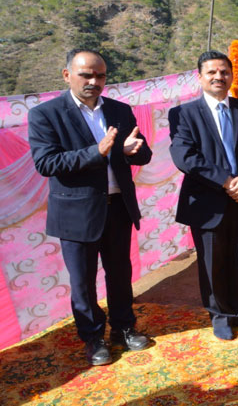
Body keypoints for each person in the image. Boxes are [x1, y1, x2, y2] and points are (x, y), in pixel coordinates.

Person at [27, 49, 153, 366]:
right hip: (76, 213)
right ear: (67, 75)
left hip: (117, 208)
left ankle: (124, 329)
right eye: (86, 75)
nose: (93, 81)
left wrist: (132, 151)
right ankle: (93, 337)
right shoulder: (46, 114)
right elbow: (47, 162)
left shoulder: (120, 111)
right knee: (83, 281)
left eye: (100, 75)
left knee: (120, 274)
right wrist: (98, 152)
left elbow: (141, 153)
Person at [169, 50, 238, 340]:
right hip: (207, 201)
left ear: (231, 76)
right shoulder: (183, 114)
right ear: (199, 77)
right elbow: (185, 157)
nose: (218, 77)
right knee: (212, 262)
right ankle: (220, 315)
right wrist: (227, 182)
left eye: (224, 71)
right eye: (211, 72)